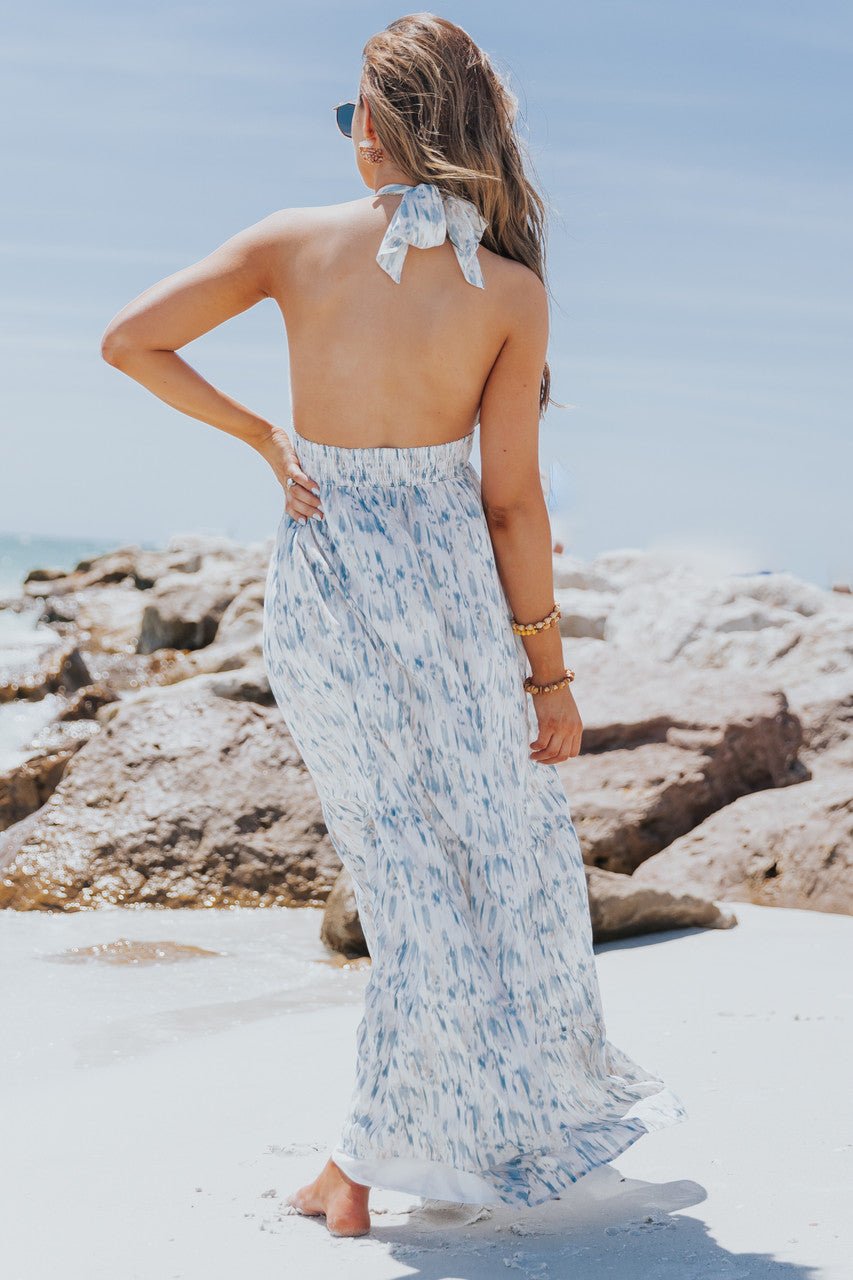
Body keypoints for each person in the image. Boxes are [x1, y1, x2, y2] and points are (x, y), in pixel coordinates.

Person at [101, 12, 687, 1242]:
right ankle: (394, 1150)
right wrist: (550, 677)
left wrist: (263, 436)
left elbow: (129, 341)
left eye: (348, 116)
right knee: (500, 873)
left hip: (324, 598)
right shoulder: (511, 290)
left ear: (372, 127)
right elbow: (511, 502)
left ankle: (361, 1163)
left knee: (404, 878)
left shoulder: (289, 242)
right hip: (456, 603)